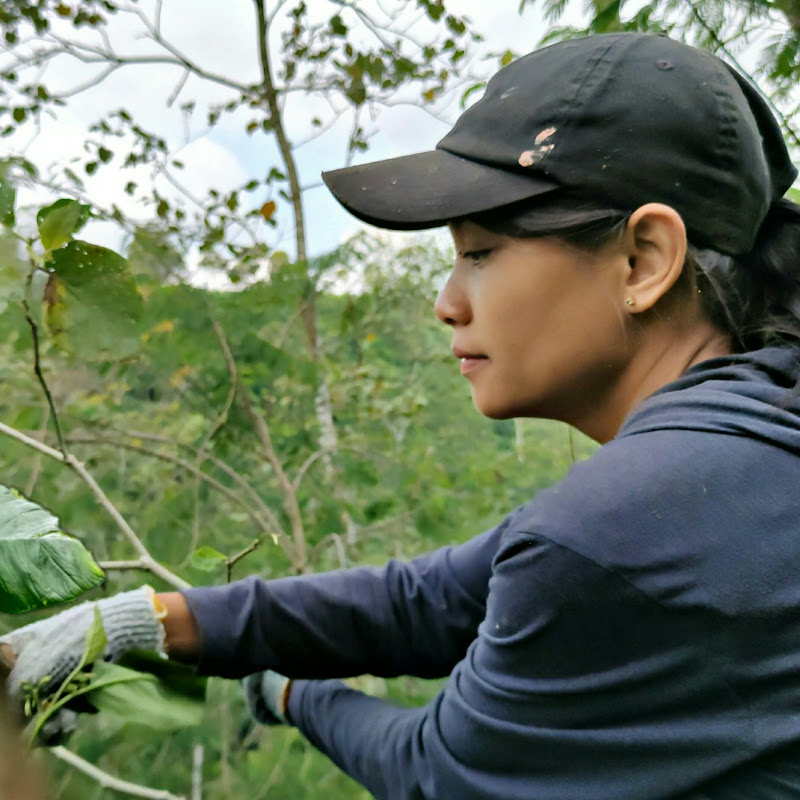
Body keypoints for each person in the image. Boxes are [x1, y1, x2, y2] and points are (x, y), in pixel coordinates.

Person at [4, 31, 800, 799]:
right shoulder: (736, 452)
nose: (446, 303)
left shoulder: (620, 526)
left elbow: (440, 776)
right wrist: (146, 621)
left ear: (644, 259)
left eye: (481, 253)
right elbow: (436, 597)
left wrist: (288, 696)